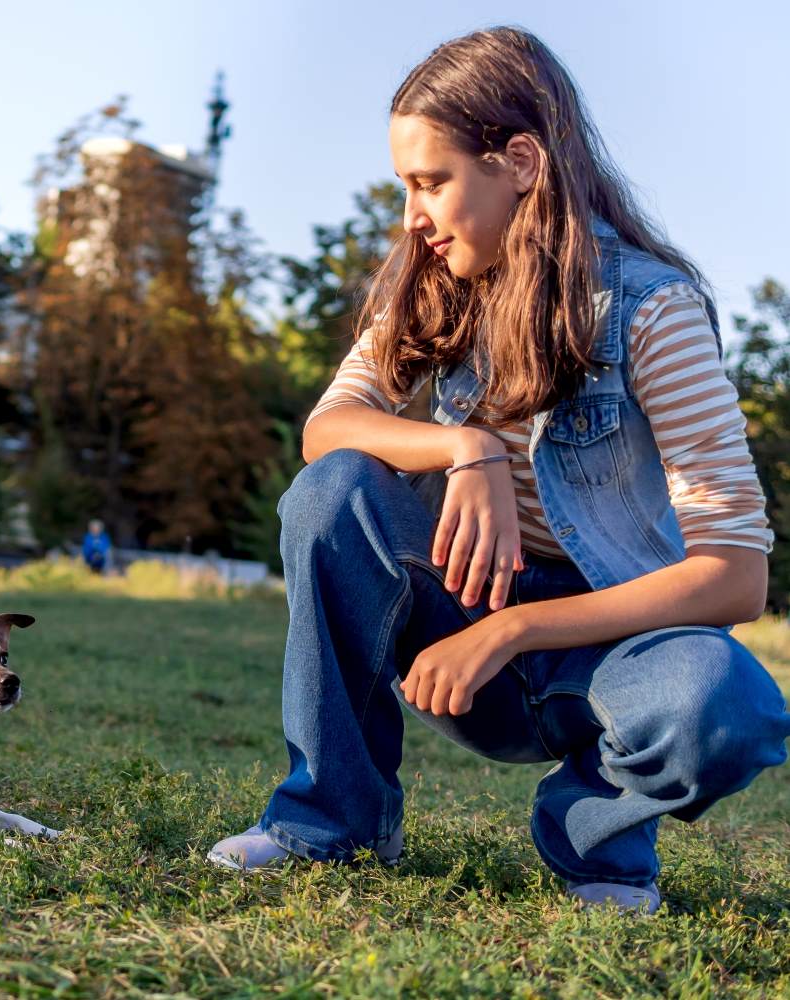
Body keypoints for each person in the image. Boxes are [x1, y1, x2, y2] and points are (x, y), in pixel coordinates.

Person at [207, 27, 790, 915]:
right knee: (331, 496)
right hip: (458, 629)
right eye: (408, 187)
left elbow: (736, 576)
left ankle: (596, 843)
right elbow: (329, 427)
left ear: (519, 160)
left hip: (603, 658)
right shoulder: (433, 281)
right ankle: (331, 825)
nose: (413, 216)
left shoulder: (652, 310)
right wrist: (463, 446)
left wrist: (515, 632)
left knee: (730, 704)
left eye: (430, 183)